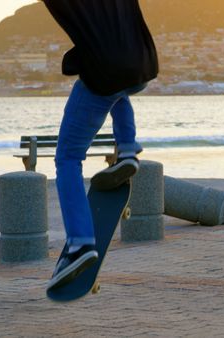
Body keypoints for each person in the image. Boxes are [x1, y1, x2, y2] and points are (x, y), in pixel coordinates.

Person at [41, 0, 158, 290]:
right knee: (120, 90)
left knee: (67, 159)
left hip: (104, 74)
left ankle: (80, 243)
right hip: (139, 67)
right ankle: (128, 149)